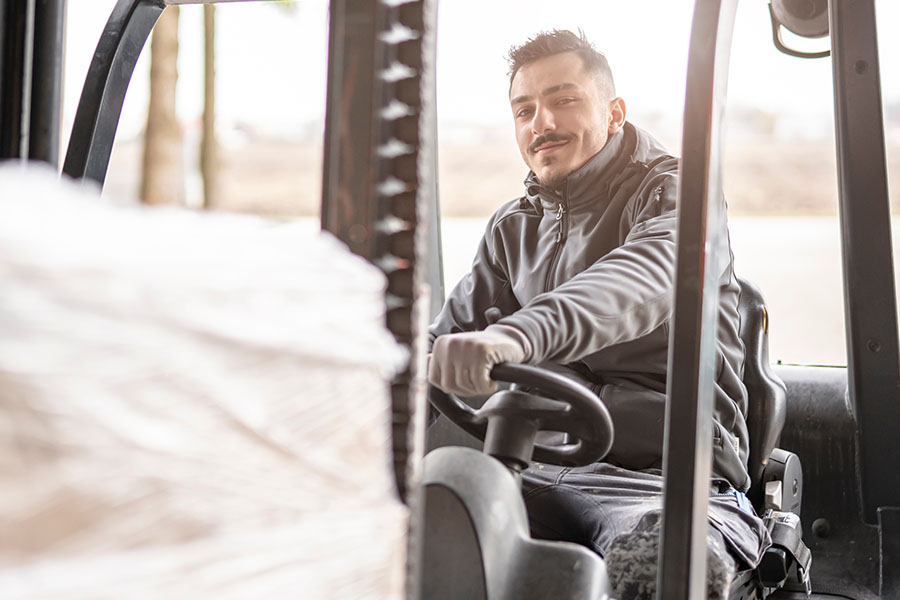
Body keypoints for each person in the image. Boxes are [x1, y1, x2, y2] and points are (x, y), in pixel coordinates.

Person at [427, 30, 771, 599]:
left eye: (564, 100)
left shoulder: (677, 195)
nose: (542, 123)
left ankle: (682, 554)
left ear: (614, 114)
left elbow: (644, 279)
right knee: (410, 533)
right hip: (528, 466)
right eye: (525, 109)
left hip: (660, 478)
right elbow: (438, 344)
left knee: (663, 564)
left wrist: (518, 336)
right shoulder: (512, 229)